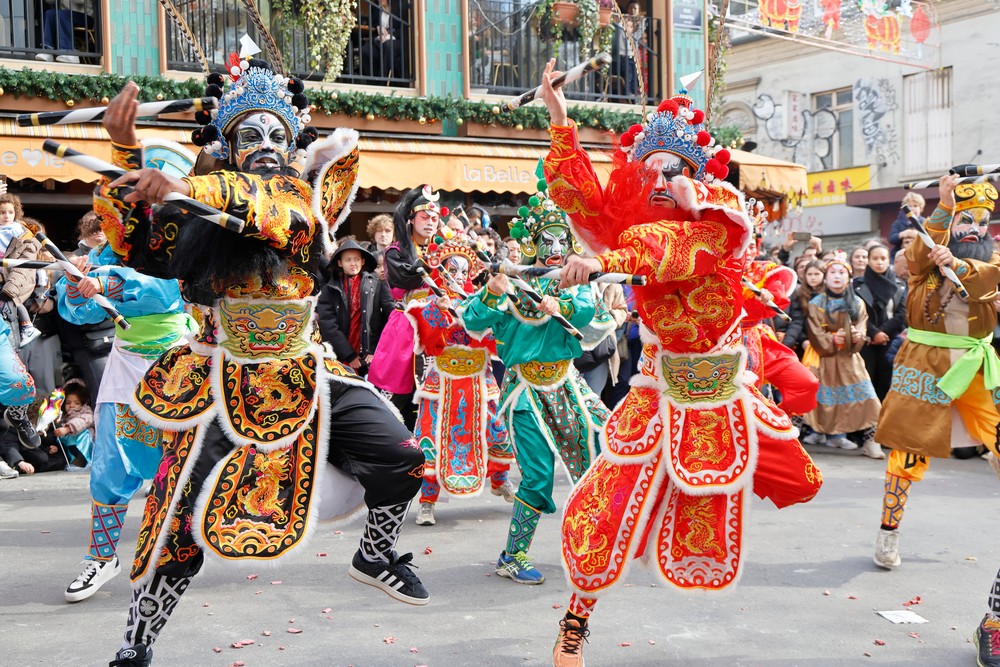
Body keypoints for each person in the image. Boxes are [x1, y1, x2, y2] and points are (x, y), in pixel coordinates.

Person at [98, 51, 428, 665]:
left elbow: (278, 214)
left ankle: (375, 553)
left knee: (403, 457)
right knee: (176, 523)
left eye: (278, 136)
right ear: (227, 147)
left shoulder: (304, 201)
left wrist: (188, 187)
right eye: (250, 137)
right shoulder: (198, 215)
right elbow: (137, 244)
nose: (267, 147)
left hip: (306, 367)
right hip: (219, 374)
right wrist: (125, 153)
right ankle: (134, 646)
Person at [536, 60, 822, 666]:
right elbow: (585, 198)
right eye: (652, 169)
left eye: (675, 170)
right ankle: (574, 622)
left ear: (696, 176)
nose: (662, 179)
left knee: (802, 481)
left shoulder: (716, 229)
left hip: (724, 395)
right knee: (609, 506)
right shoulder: (633, 231)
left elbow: (671, 249)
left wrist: (608, 261)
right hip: (658, 392)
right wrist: (560, 117)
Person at [58, 139, 199, 605]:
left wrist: (107, 282)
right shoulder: (114, 246)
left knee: (182, 465)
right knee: (108, 464)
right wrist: (76, 286)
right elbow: (81, 313)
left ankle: (177, 550)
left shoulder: (188, 242)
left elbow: (166, 291)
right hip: (125, 363)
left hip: (178, 363)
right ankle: (102, 556)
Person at [462, 177, 608, 588]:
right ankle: (513, 555)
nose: (556, 247)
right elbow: (471, 319)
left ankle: (587, 542)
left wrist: (559, 302)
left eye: (563, 239)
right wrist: (493, 292)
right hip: (524, 390)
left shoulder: (572, 280)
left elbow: (585, 312)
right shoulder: (511, 282)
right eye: (548, 239)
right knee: (539, 472)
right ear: (533, 242)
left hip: (567, 383)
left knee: (599, 455)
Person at [871, 176, 1000, 571]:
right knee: (908, 449)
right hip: (925, 361)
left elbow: (988, 278)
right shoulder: (923, 260)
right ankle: (888, 531)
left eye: (982, 221)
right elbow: (915, 258)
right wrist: (943, 206)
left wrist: (957, 264)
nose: (974, 228)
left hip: (976, 364)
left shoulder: (992, 261)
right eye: (966, 219)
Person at [408, 234, 515, 526]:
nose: (457, 275)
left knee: (495, 431)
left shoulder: (479, 301)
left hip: (479, 379)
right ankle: (427, 501)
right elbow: (427, 343)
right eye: (451, 269)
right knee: (431, 440)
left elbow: (494, 341)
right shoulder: (428, 301)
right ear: (440, 271)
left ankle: (500, 480)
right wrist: (438, 311)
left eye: (463, 270)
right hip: (442, 380)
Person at [369, 185, 445, 430]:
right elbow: (406, 278)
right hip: (406, 326)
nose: (430, 222)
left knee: (437, 391)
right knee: (396, 389)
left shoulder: (444, 249)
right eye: (424, 217)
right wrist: (435, 262)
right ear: (411, 219)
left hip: (438, 326)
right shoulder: (396, 251)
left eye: (434, 218)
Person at [801, 253, 881, 453]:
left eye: (842, 272)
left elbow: (862, 328)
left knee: (868, 399)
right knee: (807, 399)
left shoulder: (858, 303)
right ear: (825, 277)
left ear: (849, 277)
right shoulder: (816, 303)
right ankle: (792, 439)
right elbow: (815, 332)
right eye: (832, 272)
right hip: (823, 359)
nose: (837, 276)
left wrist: (856, 337)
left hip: (849, 358)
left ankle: (872, 441)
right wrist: (831, 339)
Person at [55, 211, 115, 406]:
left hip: (128, 335)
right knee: (105, 395)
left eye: (102, 225)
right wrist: (77, 283)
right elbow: (77, 310)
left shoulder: (124, 255)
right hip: (90, 337)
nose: (98, 229)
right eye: (93, 225)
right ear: (84, 230)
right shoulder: (76, 259)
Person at [316, 238, 393, 376]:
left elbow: (389, 316)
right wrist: (349, 355)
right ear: (340, 263)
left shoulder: (376, 283)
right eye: (348, 260)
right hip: (341, 356)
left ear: (363, 261)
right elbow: (328, 324)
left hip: (371, 354)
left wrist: (375, 349)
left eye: (356, 259)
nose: (353, 264)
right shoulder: (329, 289)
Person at [0, 193, 40, 450]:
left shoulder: (22, 236)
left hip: (2, 315)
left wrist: (8, 291)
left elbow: (25, 273)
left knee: (18, 382)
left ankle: (17, 413)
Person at [853, 243, 906, 406]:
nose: (879, 262)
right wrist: (874, 333)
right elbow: (856, 313)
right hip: (866, 340)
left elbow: (902, 313)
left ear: (889, 260)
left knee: (887, 381)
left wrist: (883, 333)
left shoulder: (900, 285)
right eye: (875, 258)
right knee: (866, 381)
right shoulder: (856, 285)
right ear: (868, 261)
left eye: (883, 258)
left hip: (890, 341)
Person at [888, 191, 925, 258]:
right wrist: (903, 234)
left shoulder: (924, 222)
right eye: (909, 206)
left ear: (921, 208)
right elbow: (892, 239)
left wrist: (917, 234)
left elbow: (931, 238)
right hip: (901, 254)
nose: (912, 209)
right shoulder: (898, 223)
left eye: (915, 206)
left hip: (920, 254)